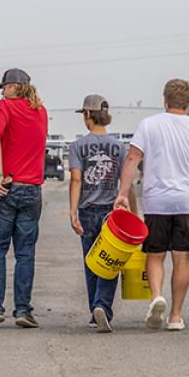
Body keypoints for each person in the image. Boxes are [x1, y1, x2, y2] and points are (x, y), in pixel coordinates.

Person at [115, 79, 189, 332]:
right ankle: (176, 316)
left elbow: (133, 157)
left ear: (165, 100)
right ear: (188, 102)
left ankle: (157, 296)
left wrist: (123, 193)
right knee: (182, 258)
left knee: (155, 255)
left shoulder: (149, 125)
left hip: (157, 202)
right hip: (188, 202)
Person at [0, 68, 48, 329]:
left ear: (16, 86)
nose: (2, 90)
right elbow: (23, 139)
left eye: (5, 86)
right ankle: (23, 310)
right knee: (26, 251)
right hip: (32, 188)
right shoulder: (40, 110)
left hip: (8, 184)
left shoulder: (4, 106)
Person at [69, 94, 136, 333]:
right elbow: (126, 182)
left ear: (88, 115)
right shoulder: (119, 147)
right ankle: (103, 306)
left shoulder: (77, 146)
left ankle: (94, 310)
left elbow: (76, 180)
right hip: (112, 213)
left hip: (86, 210)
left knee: (91, 261)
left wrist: (72, 211)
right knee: (110, 261)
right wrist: (134, 214)